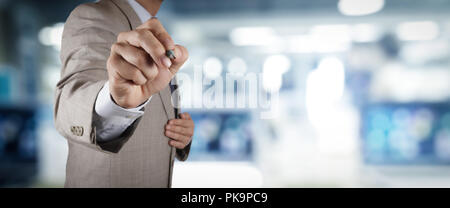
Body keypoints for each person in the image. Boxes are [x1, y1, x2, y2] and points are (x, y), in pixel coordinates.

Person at [54, 0, 194, 187]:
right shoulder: (94, 16)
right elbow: (70, 108)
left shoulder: (152, 28)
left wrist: (181, 133)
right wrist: (115, 103)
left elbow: (150, 108)